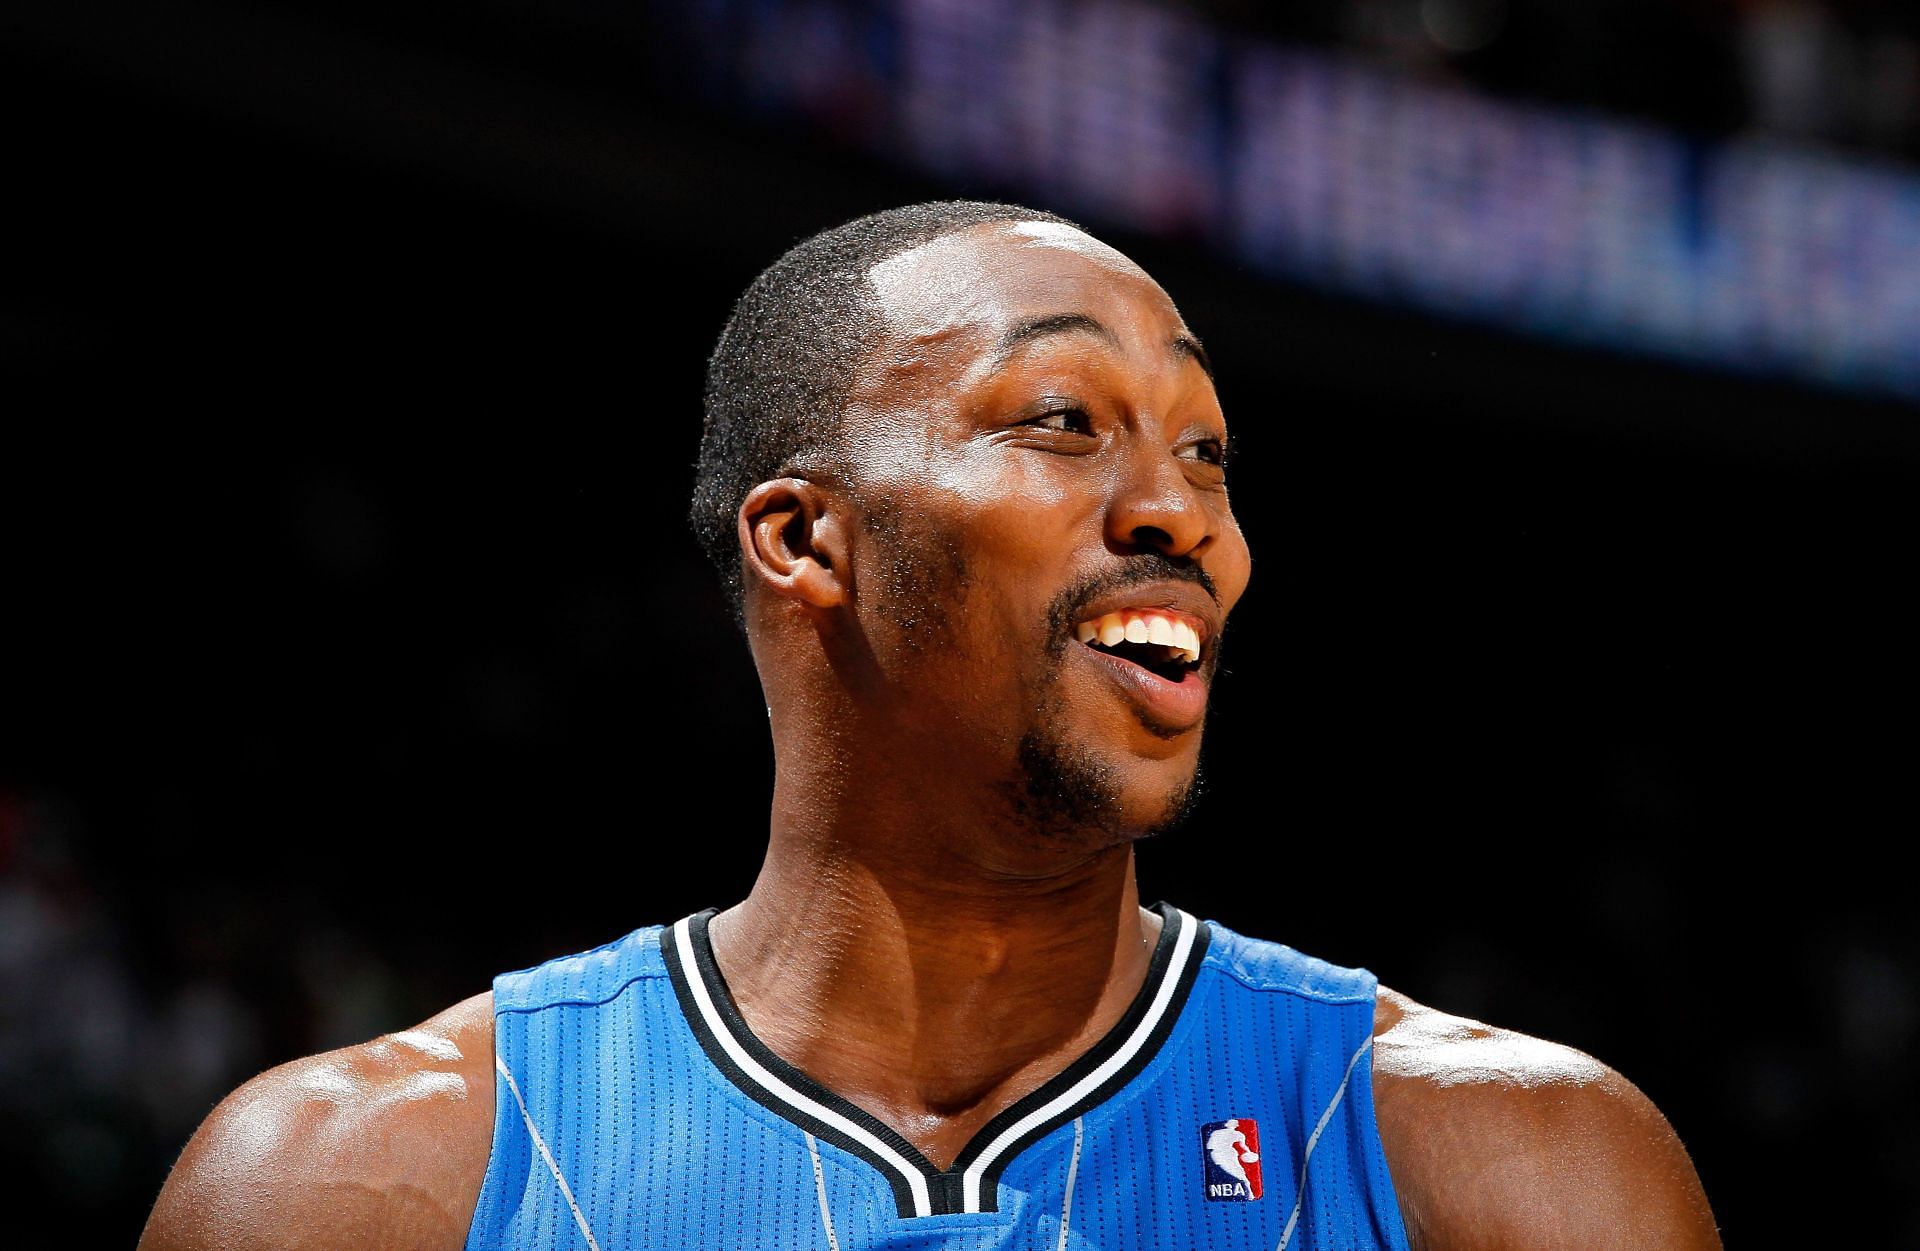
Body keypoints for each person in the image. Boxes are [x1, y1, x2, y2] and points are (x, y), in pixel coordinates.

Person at [139, 202, 1721, 1250]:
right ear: (805, 541)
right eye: (1063, 422)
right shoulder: (360, 1188)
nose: (1182, 514)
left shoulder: (1513, 1171)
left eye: (1209, 452)